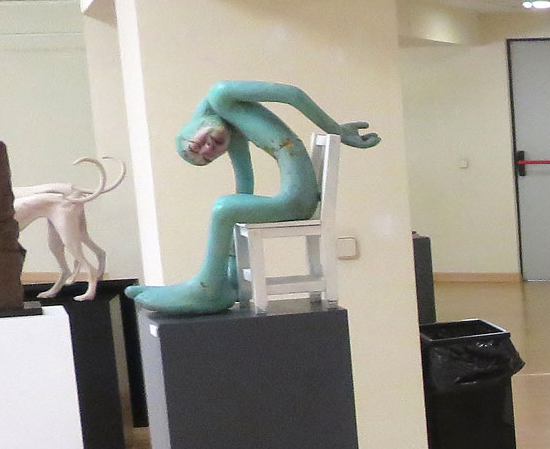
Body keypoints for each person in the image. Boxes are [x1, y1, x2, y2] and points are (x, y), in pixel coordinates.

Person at [128, 82, 379, 316]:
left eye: (195, 147)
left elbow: (292, 94)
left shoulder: (221, 94)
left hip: (297, 199)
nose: (208, 149)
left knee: (223, 207)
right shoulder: (230, 126)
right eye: (208, 157)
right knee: (228, 207)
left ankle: (206, 289)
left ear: (190, 128)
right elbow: (245, 186)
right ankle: (217, 283)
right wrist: (232, 269)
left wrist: (338, 131)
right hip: (295, 195)